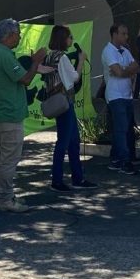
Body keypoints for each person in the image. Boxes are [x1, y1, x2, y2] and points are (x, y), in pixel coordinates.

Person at [0, 18, 47, 212]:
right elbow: (26, 79)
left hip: (2, 113)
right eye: (18, 34)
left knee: (4, 157)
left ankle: (6, 195)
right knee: (8, 159)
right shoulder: (3, 55)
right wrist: (36, 61)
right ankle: (5, 200)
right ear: (10, 35)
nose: (19, 37)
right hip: (8, 115)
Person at [44, 25, 98, 192]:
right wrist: (81, 61)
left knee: (73, 141)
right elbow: (74, 78)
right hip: (65, 102)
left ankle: (77, 177)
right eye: (69, 37)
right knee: (65, 142)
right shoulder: (63, 58)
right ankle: (58, 180)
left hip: (58, 100)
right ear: (63, 39)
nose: (71, 40)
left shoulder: (50, 56)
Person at [103, 23, 140, 175]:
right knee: (121, 129)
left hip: (127, 94)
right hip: (115, 95)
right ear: (114, 34)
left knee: (125, 129)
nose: (126, 36)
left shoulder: (125, 51)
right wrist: (126, 71)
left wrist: (125, 70)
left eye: (126, 33)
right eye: (123, 33)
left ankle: (117, 159)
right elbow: (118, 72)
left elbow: (136, 66)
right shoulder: (108, 51)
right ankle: (124, 160)